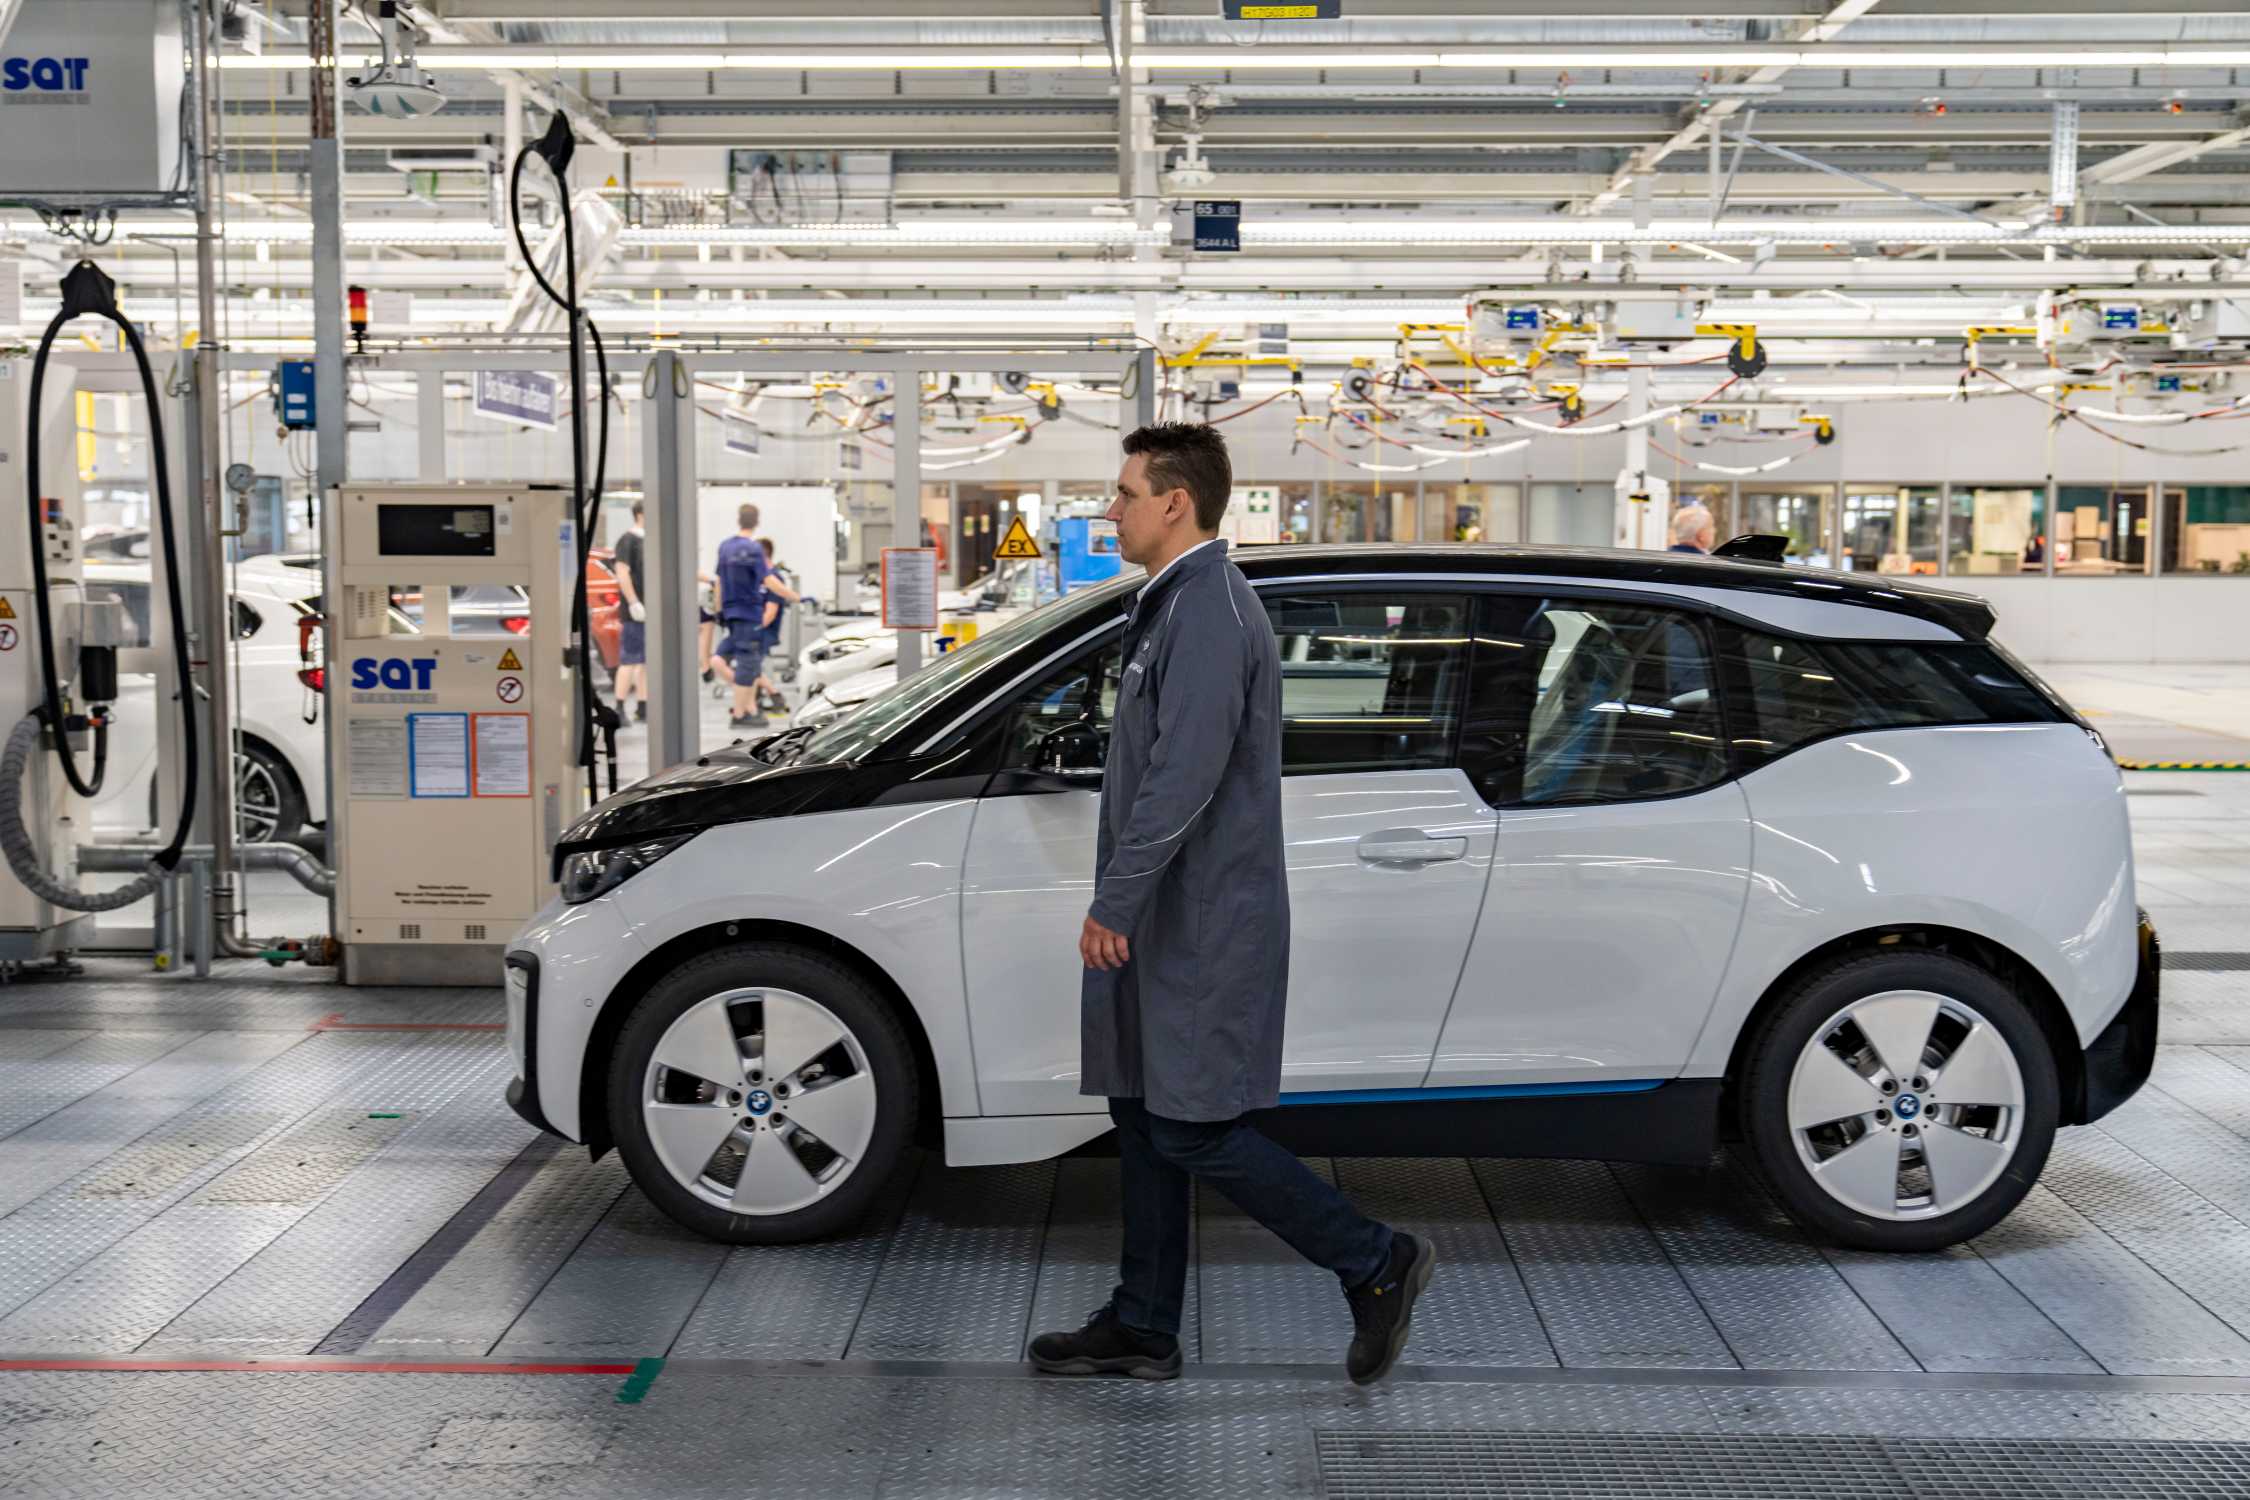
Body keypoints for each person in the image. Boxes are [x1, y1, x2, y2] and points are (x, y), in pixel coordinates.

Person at [1027, 422, 1435, 1388]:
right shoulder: (1170, 605)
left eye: (1125, 494)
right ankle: (1143, 1324)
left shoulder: (1207, 609)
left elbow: (1184, 779)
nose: (1111, 511)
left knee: (1192, 1124)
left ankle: (1376, 1261)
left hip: (1198, 922)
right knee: (1140, 1113)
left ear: (1176, 502)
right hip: (1171, 915)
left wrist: (1116, 903)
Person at [711, 504, 798, 729]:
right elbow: (769, 581)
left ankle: (750, 708)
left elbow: (719, 582)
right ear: (756, 521)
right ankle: (740, 715)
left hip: (731, 614)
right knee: (748, 665)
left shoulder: (725, 547)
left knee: (723, 660)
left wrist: (719, 610)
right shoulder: (754, 549)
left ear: (738, 520)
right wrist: (795, 596)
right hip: (749, 615)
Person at [610, 500, 648, 724]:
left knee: (646, 661)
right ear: (640, 514)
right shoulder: (628, 540)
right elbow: (622, 572)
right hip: (635, 611)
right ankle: (619, 706)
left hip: (649, 610)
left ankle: (643, 706)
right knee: (630, 660)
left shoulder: (648, 541)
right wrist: (633, 602)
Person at [753, 537, 792, 715]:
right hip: (756, 630)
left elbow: (770, 613)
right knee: (752, 665)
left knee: (749, 665)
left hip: (764, 631)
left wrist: (752, 629)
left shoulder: (774, 578)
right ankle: (757, 700)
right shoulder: (760, 577)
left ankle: (774, 696)